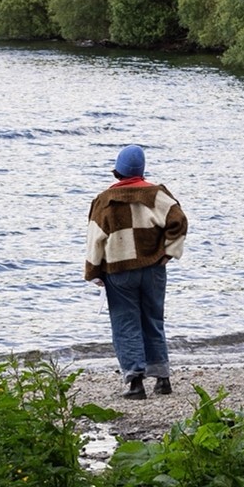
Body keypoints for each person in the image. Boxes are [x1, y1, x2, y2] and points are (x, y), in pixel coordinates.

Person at [84, 143, 187, 399]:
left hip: (119, 271)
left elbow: (96, 239)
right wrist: (168, 252)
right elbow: (179, 222)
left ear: (117, 172)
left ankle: (135, 383)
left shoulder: (104, 200)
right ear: (142, 171)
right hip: (153, 268)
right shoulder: (157, 195)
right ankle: (163, 379)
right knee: (153, 319)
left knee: (125, 322)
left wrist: (93, 272)